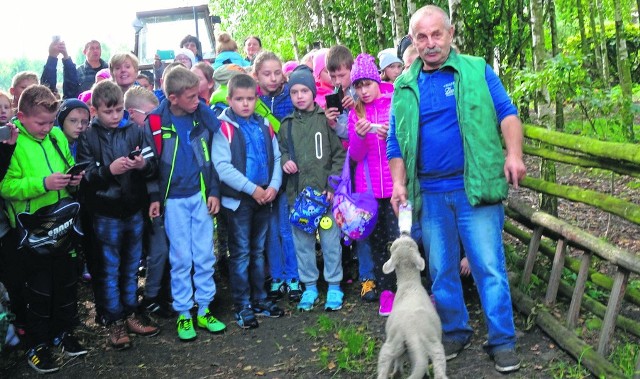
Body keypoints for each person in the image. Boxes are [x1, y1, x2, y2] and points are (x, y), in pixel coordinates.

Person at [386, 5, 526, 373]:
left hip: (474, 188)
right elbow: (395, 142)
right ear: (413, 40)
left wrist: (513, 154)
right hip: (429, 194)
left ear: (450, 34)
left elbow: (507, 113)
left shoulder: (477, 70)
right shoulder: (404, 85)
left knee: (488, 266)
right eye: (421, 36)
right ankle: (454, 330)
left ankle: (502, 340)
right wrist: (399, 182)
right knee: (441, 268)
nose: (430, 43)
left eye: (437, 34)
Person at [0, 85, 85, 374]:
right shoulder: (12, 143)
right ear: (21, 116)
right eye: (41, 123)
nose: (47, 128)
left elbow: (68, 163)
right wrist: (43, 184)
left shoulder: (56, 135)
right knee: (38, 291)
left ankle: (63, 332)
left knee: (65, 283)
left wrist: (74, 177)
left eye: (51, 122)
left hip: (62, 226)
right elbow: (5, 187)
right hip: (31, 233)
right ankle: (37, 344)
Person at [77, 80, 160, 350]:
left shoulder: (135, 130)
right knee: (109, 270)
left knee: (131, 266)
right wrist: (108, 171)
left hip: (133, 209)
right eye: (108, 112)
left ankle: (130, 312)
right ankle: (114, 320)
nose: (115, 117)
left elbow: (152, 167)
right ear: (95, 111)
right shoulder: (88, 136)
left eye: (119, 111)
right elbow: (85, 177)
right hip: (105, 213)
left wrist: (142, 164)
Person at [147, 66, 226, 341]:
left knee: (205, 254)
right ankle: (184, 312)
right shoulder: (156, 122)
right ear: (172, 97)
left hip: (201, 196)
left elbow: (214, 154)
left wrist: (213, 191)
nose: (198, 100)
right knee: (180, 258)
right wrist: (154, 197)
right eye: (192, 97)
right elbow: (150, 166)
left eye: (199, 95)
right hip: (173, 202)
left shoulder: (201, 116)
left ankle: (204, 309)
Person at [213, 74, 285, 329]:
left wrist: (274, 186)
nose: (245, 104)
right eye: (239, 99)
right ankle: (242, 305)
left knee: (258, 251)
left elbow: (277, 158)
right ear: (230, 99)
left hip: (264, 198)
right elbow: (221, 166)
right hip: (238, 202)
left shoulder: (264, 124)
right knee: (241, 253)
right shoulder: (223, 127)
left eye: (250, 99)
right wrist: (251, 189)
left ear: (257, 99)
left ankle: (260, 299)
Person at [278, 66, 346, 312]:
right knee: (303, 244)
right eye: (294, 91)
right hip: (299, 199)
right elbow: (282, 150)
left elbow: (339, 155)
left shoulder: (325, 120)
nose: (299, 96)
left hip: (324, 197)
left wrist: (332, 185)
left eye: (304, 90)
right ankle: (309, 286)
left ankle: (335, 285)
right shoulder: (286, 125)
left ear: (313, 91)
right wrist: (286, 159)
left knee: (330, 242)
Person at [347, 53, 399, 315]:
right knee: (377, 243)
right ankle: (387, 292)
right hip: (368, 191)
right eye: (358, 86)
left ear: (376, 79)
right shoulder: (355, 112)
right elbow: (355, 156)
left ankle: (407, 289)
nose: (363, 91)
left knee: (399, 239)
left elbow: (407, 141)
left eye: (367, 84)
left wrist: (391, 133)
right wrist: (357, 135)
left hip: (395, 187)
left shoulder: (395, 101)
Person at [252, 52, 301, 302]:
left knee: (286, 227)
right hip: (263, 178)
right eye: (266, 73)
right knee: (270, 230)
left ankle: (293, 276)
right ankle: (278, 276)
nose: (273, 78)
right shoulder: (252, 101)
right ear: (256, 76)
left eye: (277, 72)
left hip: (286, 175)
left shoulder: (289, 98)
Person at [325, 45, 357, 144]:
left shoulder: (364, 87)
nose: (337, 81)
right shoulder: (335, 97)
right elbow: (349, 134)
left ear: (352, 69)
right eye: (333, 76)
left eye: (342, 75)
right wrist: (332, 124)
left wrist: (355, 107)